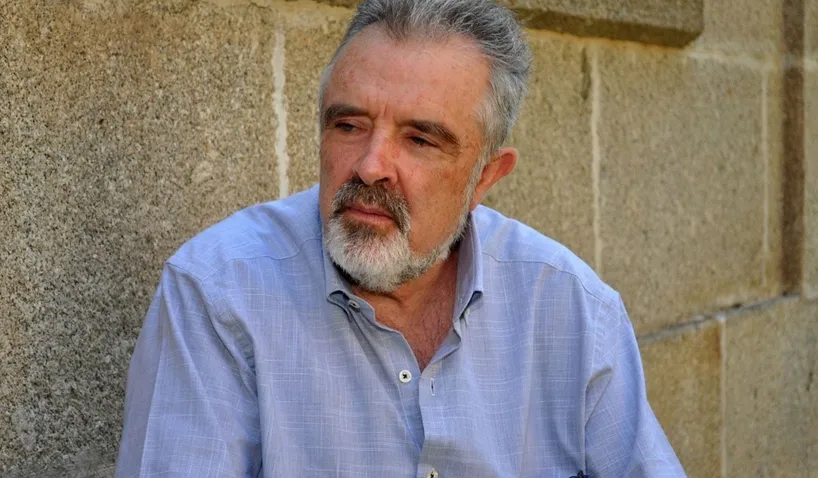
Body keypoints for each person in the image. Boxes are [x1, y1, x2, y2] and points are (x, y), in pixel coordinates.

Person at [116, 0, 685, 476]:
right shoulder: (217, 293)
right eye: (349, 125)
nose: (370, 166)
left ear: (485, 177)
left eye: (419, 140)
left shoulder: (572, 311)